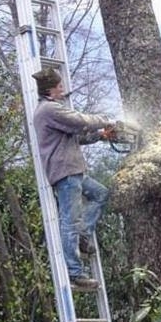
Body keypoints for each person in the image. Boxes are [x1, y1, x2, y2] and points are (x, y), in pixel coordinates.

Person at [32, 67, 113, 291]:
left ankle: (84, 236)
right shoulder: (49, 110)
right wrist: (106, 120)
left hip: (73, 170)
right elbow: (79, 121)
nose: (62, 89)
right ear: (50, 89)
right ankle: (76, 273)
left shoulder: (52, 111)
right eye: (59, 86)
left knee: (100, 193)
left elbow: (77, 136)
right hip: (65, 173)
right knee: (69, 221)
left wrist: (100, 135)